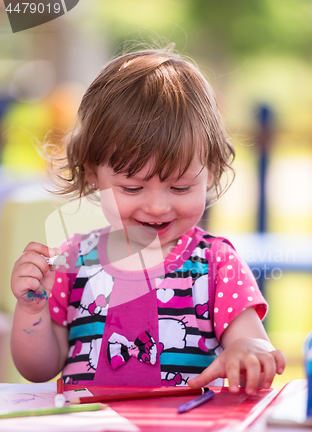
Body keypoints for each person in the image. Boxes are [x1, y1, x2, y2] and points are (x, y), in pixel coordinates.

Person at [10, 47, 286, 392]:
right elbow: (38, 370)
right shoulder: (73, 260)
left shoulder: (217, 264)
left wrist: (248, 351)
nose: (157, 207)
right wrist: (32, 310)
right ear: (93, 173)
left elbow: (254, 344)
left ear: (210, 173)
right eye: (133, 187)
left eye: (181, 187)